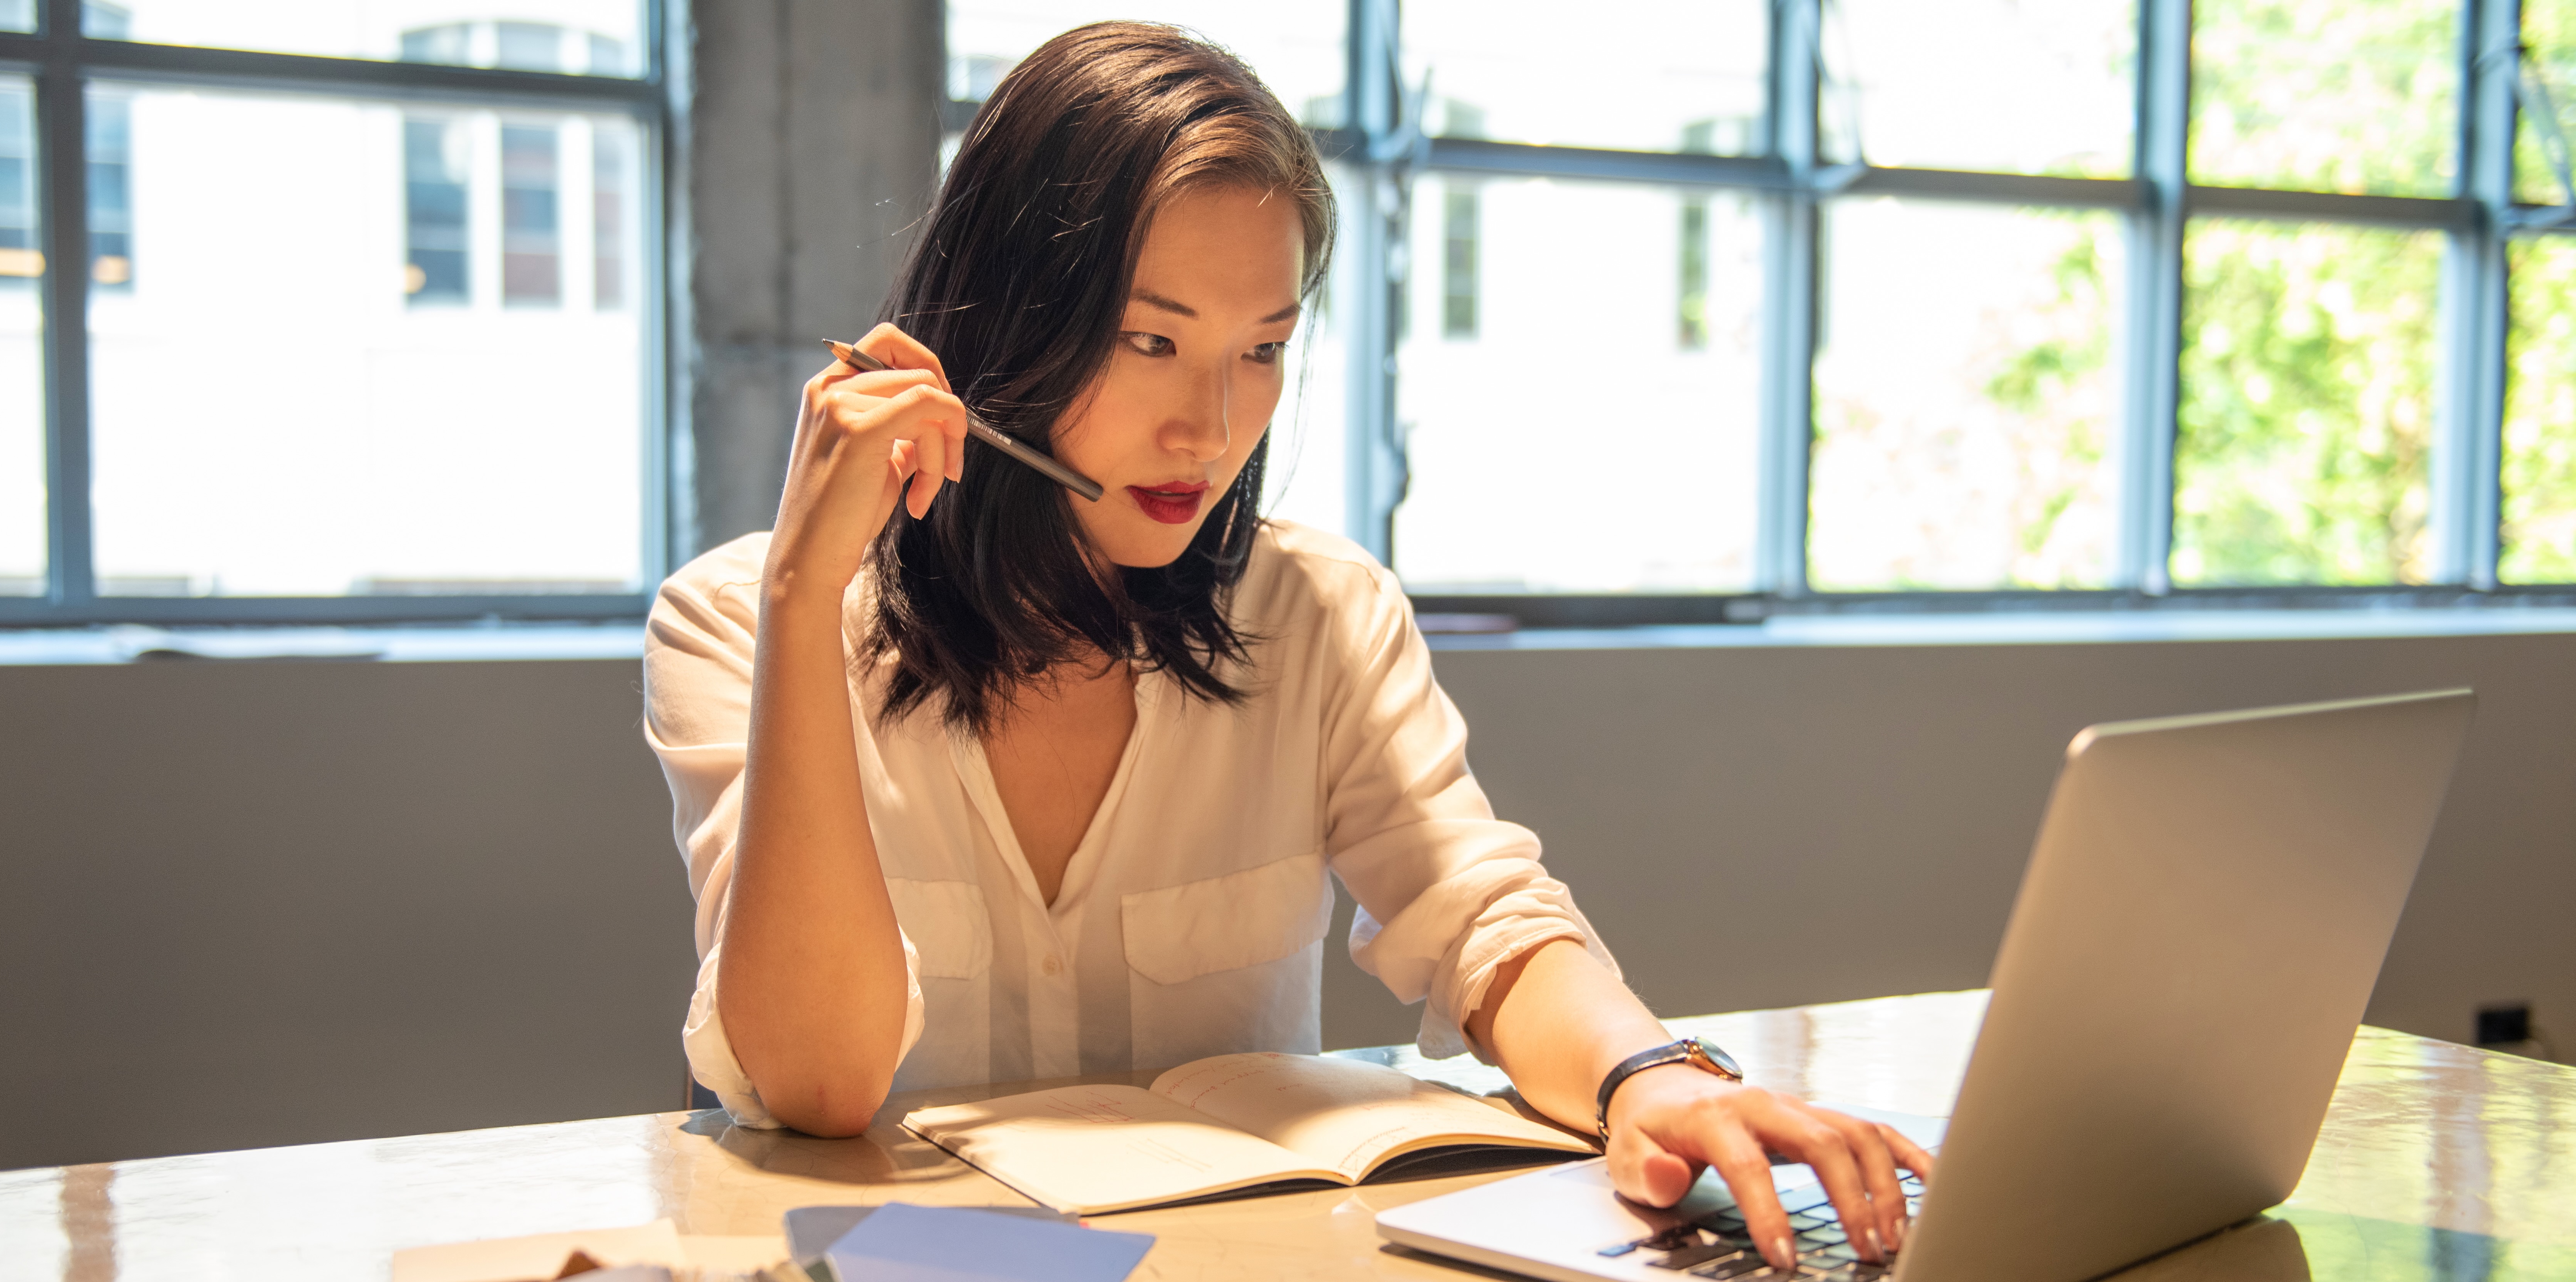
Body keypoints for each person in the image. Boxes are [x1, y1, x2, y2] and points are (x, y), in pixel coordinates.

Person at [642, 21, 1928, 1273]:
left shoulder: (1320, 612)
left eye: (1261, 350)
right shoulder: (738, 619)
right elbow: (816, 1083)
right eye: (1152, 341)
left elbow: (1479, 909)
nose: (1210, 428)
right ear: (1002, 329)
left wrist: (1646, 1072)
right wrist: (808, 595)